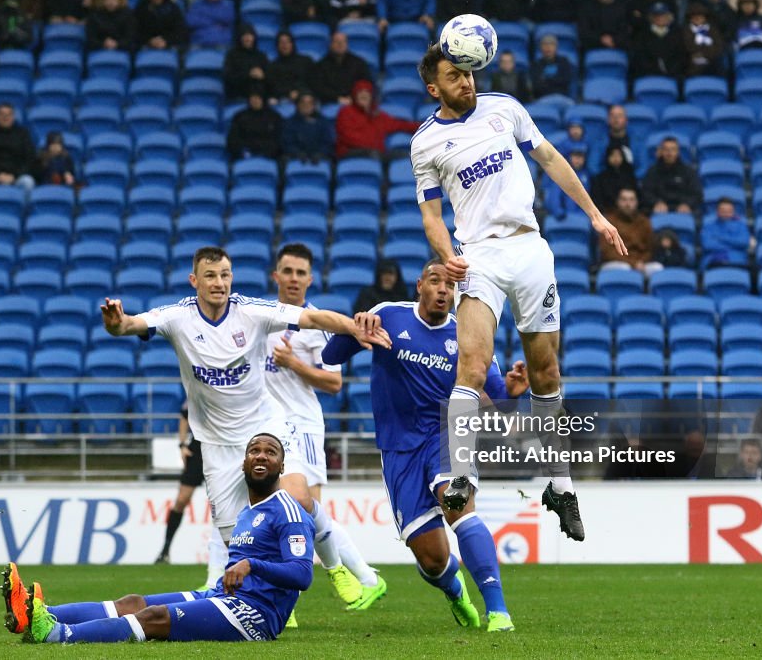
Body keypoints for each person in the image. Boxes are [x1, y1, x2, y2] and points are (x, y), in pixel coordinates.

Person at [410, 44, 627, 542]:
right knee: (472, 363)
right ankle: (463, 477)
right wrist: (448, 255)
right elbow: (430, 214)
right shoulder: (424, 144)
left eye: (467, 72)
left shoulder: (505, 108)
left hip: (529, 249)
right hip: (478, 255)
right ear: (433, 88)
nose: (465, 81)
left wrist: (595, 214)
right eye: (453, 76)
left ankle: (560, 488)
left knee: (545, 373)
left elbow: (549, 158)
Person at [99, 246, 390, 590]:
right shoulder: (178, 317)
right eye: (210, 275)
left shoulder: (251, 311)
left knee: (299, 497)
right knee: (235, 537)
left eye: (224, 275)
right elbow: (130, 325)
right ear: (195, 280)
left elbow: (311, 318)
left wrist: (354, 328)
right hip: (216, 443)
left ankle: (337, 571)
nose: (219, 282)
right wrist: (116, 324)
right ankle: (261, 596)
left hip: (264, 426)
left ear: (231, 278)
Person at [322, 261, 527, 632]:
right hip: (398, 449)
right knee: (433, 561)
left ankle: (499, 612)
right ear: (420, 286)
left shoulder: (469, 336)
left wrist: (514, 390)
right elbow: (330, 357)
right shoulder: (387, 316)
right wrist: (357, 327)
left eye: (451, 285)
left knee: (458, 506)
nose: (444, 290)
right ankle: (454, 588)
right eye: (436, 281)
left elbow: (499, 396)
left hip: (447, 434)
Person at [2, 434, 315, 644]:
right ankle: (32, 613)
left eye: (270, 452)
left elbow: (303, 574)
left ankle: (59, 634)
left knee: (153, 617)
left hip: (256, 615)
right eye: (254, 451)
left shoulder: (289, 511)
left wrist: (251, 565)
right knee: (132, 602)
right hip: (222, 596)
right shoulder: (248, 510)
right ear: (244, 462)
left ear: (282, 466)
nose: (261, 457)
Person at [264, 244, 387, 611]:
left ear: (310, 279)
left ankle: (364, 577)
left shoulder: (317, 324)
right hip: (266, 427)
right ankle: (358, 578)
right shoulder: (262, 316)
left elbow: (334, 384)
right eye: (287, 271)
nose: (294, 279)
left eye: (301, 273)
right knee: (275, 513)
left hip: (302, 425)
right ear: (276, 276)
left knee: (308, 512)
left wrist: (293, 363)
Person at [153, 401, 230, 578]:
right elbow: (184, 416)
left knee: (223, 504)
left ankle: (230, 557)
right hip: (198, 450)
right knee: (181, 500)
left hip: (222, 449)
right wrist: (182, 445)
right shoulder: (197, 390)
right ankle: (165, 550)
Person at [335, 80, 421, 159]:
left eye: (367, 92)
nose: (363, 95)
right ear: (355, 95)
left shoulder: (377, 115)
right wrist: (373, 144)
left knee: (405, 155)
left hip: (376, 153)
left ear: (371, 96)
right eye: (360, 92)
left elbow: (400, 125)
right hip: (351, 153)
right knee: (375, 155)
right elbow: (347, 137)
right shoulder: (345, 112)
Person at [599, 187, 663, 278]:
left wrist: (640, 262)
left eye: (631, 200)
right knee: (625, 269)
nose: (628, 204)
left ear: (636, 202)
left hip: (640, 263)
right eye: (624, 199)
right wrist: (632, 263)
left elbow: (650, 249)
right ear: (618, 202)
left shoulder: (644, 222)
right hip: (616, 263)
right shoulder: (608, 222)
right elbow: (607, 252)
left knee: (657, 268)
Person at [641, 136, 703, 213]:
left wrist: (687, 204)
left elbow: (697, 194)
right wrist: (656, 202)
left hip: (683, 209)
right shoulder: (652, 171)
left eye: (673, 149)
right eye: (666, 149)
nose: (669, 153)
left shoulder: (688, 171)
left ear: (678, 152)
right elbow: (646, 192)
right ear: (661, 151)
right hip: (659, 208)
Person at [310, 31, 373, 105]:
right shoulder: (320, 65)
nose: (340, 45)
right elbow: (319, 87)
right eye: (337, 42)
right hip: (330, 102)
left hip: (356, 101)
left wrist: (353, 97)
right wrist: (337, 98)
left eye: (343, 42)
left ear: (347, 44)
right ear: (330, 44)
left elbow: (366, 83)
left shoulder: (359, 63)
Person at [631, 3, 686, 79]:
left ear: (669, 17)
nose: (659, 18)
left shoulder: (677, 34)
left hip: (674, 76)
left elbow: (681, 56)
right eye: (656, 15)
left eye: (662, 15)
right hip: (649, 76)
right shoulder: (644, 35)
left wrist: (671, 71)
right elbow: (641, 57)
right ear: (651, 17)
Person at [227, 86, 283, 160]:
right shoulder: (240, 116)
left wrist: (269, 152)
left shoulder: (274, 117)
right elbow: (233, 139)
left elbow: (280, 139)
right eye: (252, 98)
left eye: (258, 98)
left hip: (270, 155)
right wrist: (243, 152)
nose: (255, 100)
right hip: (244, 154)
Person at [699, 197, 754, 269]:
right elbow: (707, 245)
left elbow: (744, 242)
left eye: (729, 211)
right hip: (711, 262)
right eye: (723, 211)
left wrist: (720, 238)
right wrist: (734, 245)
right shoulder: (708, 226)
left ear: (733, 212)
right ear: (717, 211)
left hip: (736, 262)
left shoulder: (741, 225)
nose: (726, 213)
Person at [282, 91, 334, 163]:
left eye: (310, 102)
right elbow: (287, 143)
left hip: (320, 158)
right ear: (298, 104)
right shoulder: (290, 123)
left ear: (314, 105)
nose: (306, 105)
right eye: (303, 102)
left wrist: (320, 153)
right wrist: (297, 153)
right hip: (295, 158)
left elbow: (327, 142)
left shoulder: (323, 122)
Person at [543, 143, 592, 219]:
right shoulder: (562, 173)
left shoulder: (587, 176)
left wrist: (585, 215)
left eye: (580, 157)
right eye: (575, 156)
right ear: (570, 157)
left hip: (582, 217)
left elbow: (588, 198)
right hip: (562, 216)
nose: (578, 160)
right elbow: (554, 196)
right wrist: (559, 212)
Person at [223, 24, 269, 101]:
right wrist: (249, 74)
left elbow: (270, 77)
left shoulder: (261, 56)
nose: (247, 39)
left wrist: (263, 75)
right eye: (244, 35)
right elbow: (228, 77)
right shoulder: (232, 55)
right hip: (237, 97)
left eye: (250, 35)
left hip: (259, 98)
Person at [266, 31, 315, 103]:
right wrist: (288, 93)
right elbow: (273, 86)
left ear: (292, 44)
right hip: (282, 99)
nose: (284, 45)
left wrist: (300, 92)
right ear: (277, 46)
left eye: (287, 42)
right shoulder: (273, 66)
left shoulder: (306, 61)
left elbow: (313, 81)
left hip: (306, 96)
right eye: (281, 42)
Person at [682, 2, 726, 76]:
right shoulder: (685, 31)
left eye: (700, 15)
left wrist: (702, 54)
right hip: (691, 66)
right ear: (690, 18)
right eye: (694, 15)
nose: (697, 18)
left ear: (705, 17)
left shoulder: (713, 30)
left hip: (712, 65)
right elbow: (687, 48)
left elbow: (719, 48)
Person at [590, 145, 638, 211]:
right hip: (607, 213)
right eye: (612, 155)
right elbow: (597, 199)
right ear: (607, 157)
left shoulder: (630, 177)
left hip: (629, 212)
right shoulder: (600, 178)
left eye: (619, 155)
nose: (616, 158)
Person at [529, 34, 575, 99]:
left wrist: (546, 80)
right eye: (545, 44)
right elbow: (536, 86)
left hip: (562, 98)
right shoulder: (535, 65)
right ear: (540, 47)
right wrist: (555, 81)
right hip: (542, 99)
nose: (548, 47)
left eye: (551, 44)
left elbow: (566, 81)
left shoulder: (564, 62)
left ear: (556, 47)